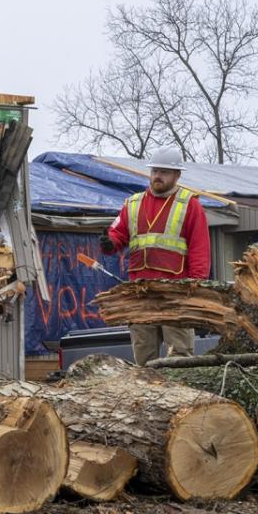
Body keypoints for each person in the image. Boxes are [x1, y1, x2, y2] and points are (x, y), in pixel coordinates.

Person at [100, 147, 210, 365]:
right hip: (141, 292)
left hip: (176, 292)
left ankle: (180, 396)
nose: (158, 176)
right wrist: (109, 243)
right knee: (143, 356)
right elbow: (118, 234)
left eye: (164, 172)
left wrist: (195, 288)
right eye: (155, 171)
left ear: (177, 175)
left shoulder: (190, 205)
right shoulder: (133, 203)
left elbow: (200, 249)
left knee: (179, 358)